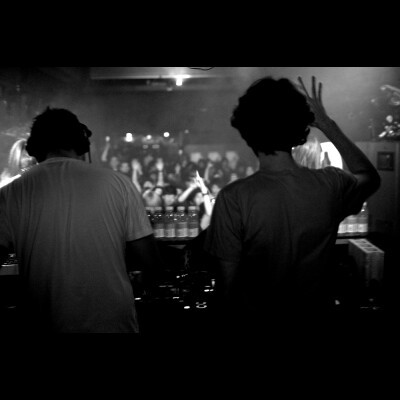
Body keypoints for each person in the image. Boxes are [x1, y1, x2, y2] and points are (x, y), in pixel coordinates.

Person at [203, 76, 380, 335]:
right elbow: (370, 177)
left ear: (246, 131)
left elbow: (226, 292)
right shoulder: (330, 184)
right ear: (300, 127)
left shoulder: (233, 198)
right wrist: (327, 125)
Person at [0, 107, 162, 333]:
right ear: (82, 143)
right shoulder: (119, 184)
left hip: (43, 322)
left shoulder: (10, 193)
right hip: (112, 323)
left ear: (33, 147)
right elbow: (149, 259)